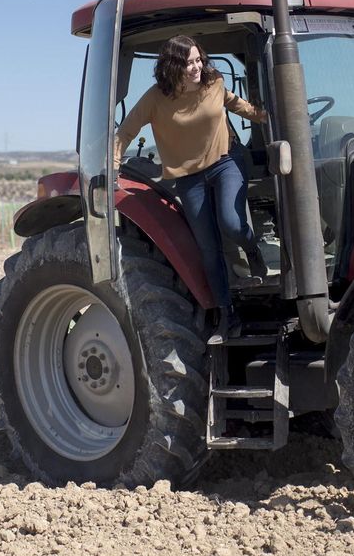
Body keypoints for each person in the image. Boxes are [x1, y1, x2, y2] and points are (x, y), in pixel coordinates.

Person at [115, 35, 269, 343]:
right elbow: (127, 130)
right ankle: (227, 314)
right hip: (188, 176)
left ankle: (252, 249)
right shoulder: (155, 99)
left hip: (226, 160)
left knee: (232, 223)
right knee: (207, 247)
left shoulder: (214, 83)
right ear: (173, 66)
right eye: (189, 63)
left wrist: (268, 116)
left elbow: (240, 106)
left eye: (199, 60)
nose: (197, 67)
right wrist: (113, 163)